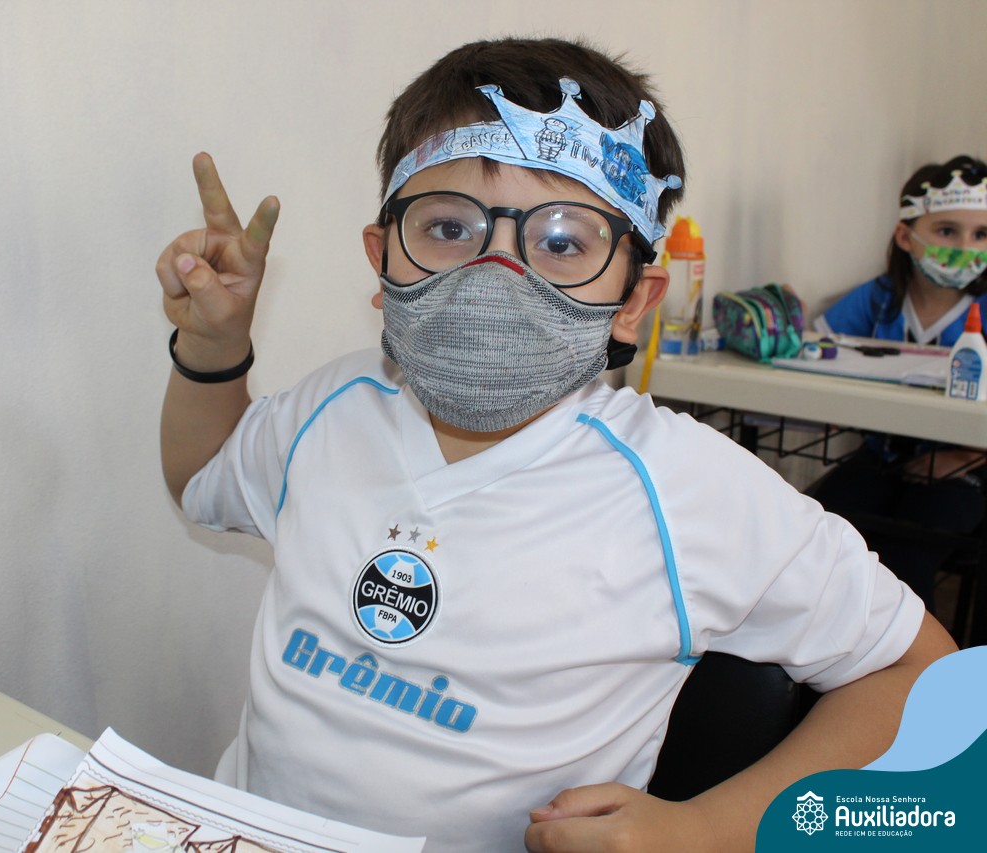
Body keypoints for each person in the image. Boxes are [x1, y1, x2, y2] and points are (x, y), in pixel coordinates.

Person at [156, 37, 955, 853]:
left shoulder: (686, 488)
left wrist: (709, 828)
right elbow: (204, 478)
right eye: (448, 226)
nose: (496, 272)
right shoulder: (333, 404)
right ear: (382, 254)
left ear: (634, 300)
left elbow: (927, 677)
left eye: (563, 241)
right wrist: (214, 348)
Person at [812, 157, 987, 613]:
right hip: (884, 457)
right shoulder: (880, 299)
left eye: (981, 234)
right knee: (819, 533)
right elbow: (818, 348)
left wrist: (962, 457)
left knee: (908, 559)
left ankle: (916, 654)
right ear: (906, 236)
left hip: (970, 467)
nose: (965, 247)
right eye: (947, 231)